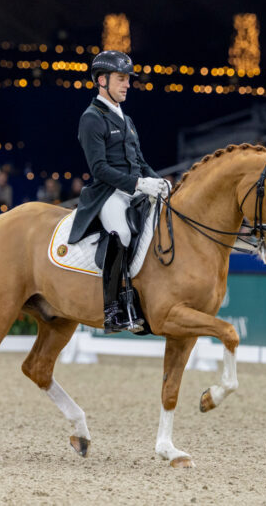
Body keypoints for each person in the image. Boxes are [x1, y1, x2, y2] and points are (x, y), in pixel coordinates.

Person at [68, 50, 166, 333]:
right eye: (121, 79)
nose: (127, 85)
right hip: (107, 194)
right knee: (121, 233)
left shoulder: (127, 120)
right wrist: (138, 185)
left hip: (134, 190)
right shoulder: (92, 118)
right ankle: (112, 309)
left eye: (127, 80)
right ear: (102, 80)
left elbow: (141, 162)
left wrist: (160, 182)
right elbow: (99, 168)